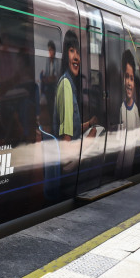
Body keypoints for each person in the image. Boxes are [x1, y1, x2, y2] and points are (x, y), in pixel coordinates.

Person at [52, 30, 97, 174]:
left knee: (95, 129)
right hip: (68, 163)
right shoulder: (66, 85)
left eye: (78, 52)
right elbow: (67, 149)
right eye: (72, 51)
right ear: (66, 55)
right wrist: (90, 138)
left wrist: (89, 124)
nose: (76, 57)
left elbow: (72, 127)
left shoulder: (66, 81)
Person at [116, 49, 140, 178]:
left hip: (131, 160)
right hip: (121, 161)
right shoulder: (121, 108)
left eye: (132, 78)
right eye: (127, 77)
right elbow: (119, 139)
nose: (129, 83)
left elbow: (138, 136)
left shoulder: (135, 110)